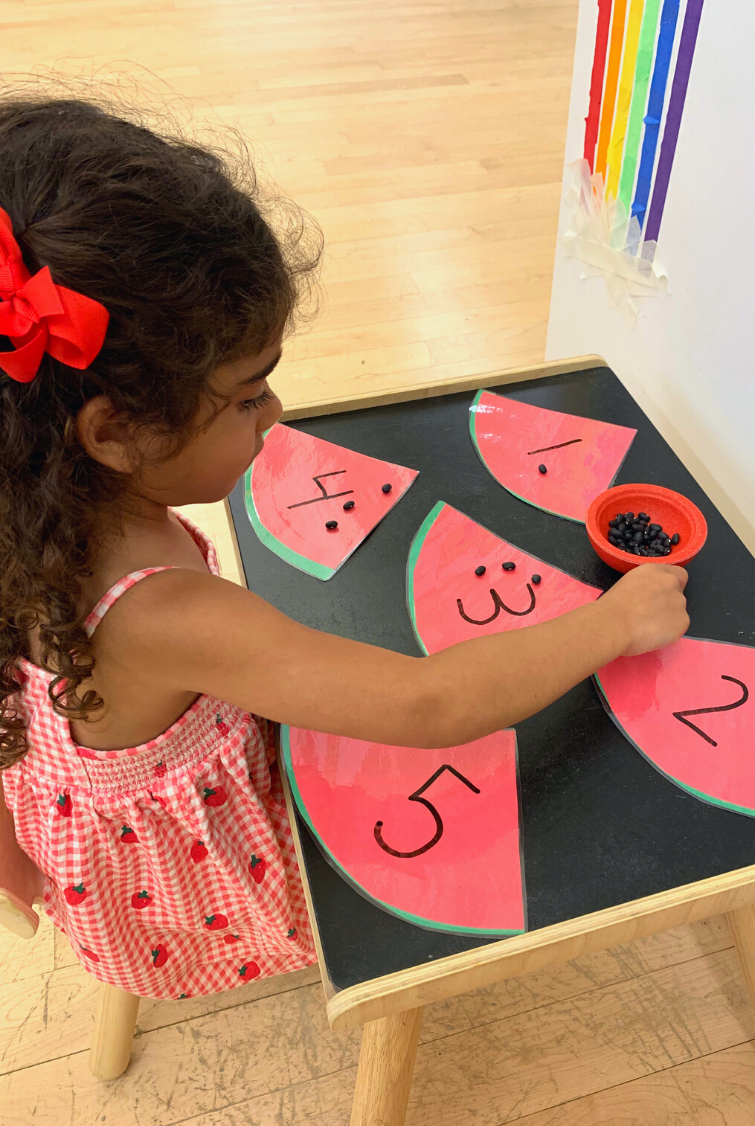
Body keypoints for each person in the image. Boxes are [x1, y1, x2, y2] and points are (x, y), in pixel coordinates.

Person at [0, 96, 689, 1000]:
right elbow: (429, 703)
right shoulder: (166, 618)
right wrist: (616, 622)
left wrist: (17, 870)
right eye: (250, 396)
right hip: (195, 886)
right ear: (115, 432)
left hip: (74, 829)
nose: (276, 415)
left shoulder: (30, 507)